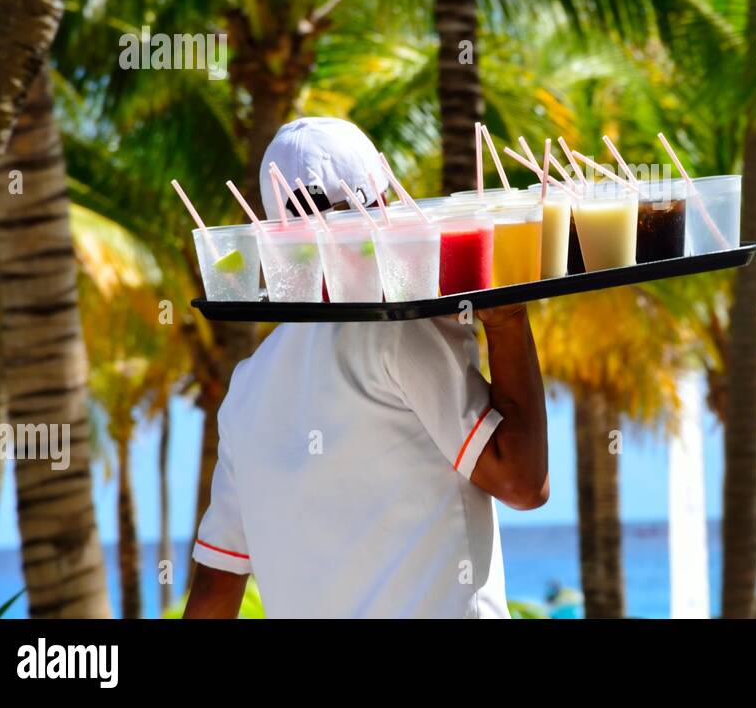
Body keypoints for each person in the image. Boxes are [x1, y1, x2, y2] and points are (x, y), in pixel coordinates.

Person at [183, 118, 548, 618]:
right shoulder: (405, 324)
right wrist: (507, 317)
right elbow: (522, 482)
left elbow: (213, 592)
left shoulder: (249, 385)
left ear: (277, 235)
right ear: (386, 199)